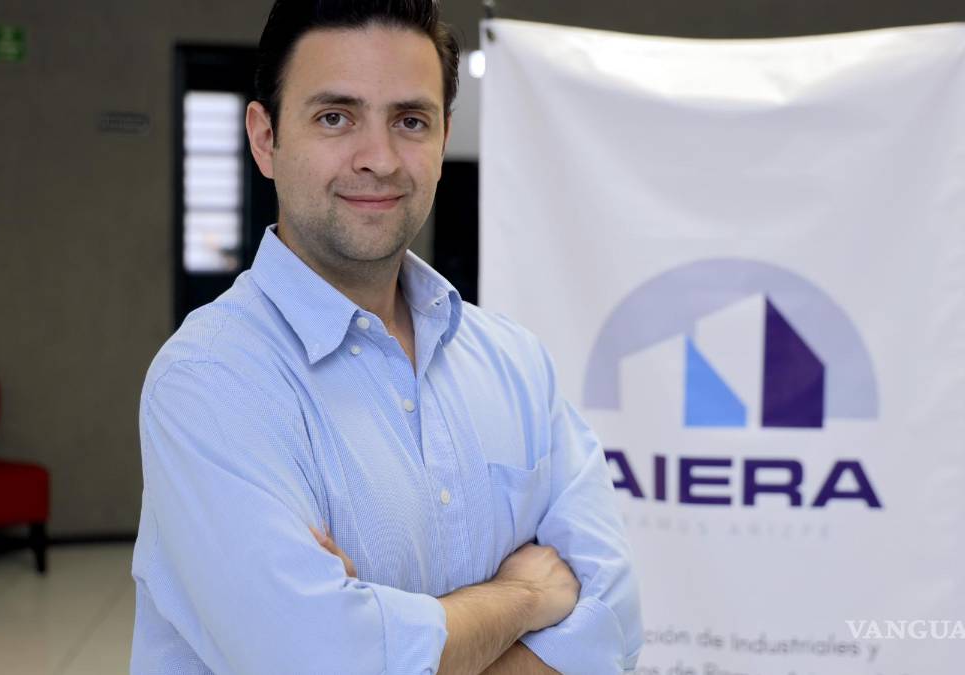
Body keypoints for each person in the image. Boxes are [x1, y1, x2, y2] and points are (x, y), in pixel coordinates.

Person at [130, 1, 642, 673]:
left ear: (443, 140)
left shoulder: (515, 362)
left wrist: (390, 639)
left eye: (410, 121)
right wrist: (521, 596)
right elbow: (320, 662)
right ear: (265, 138)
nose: (378, 158)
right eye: (335, 117)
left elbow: (614, 622)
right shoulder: (209, 382)